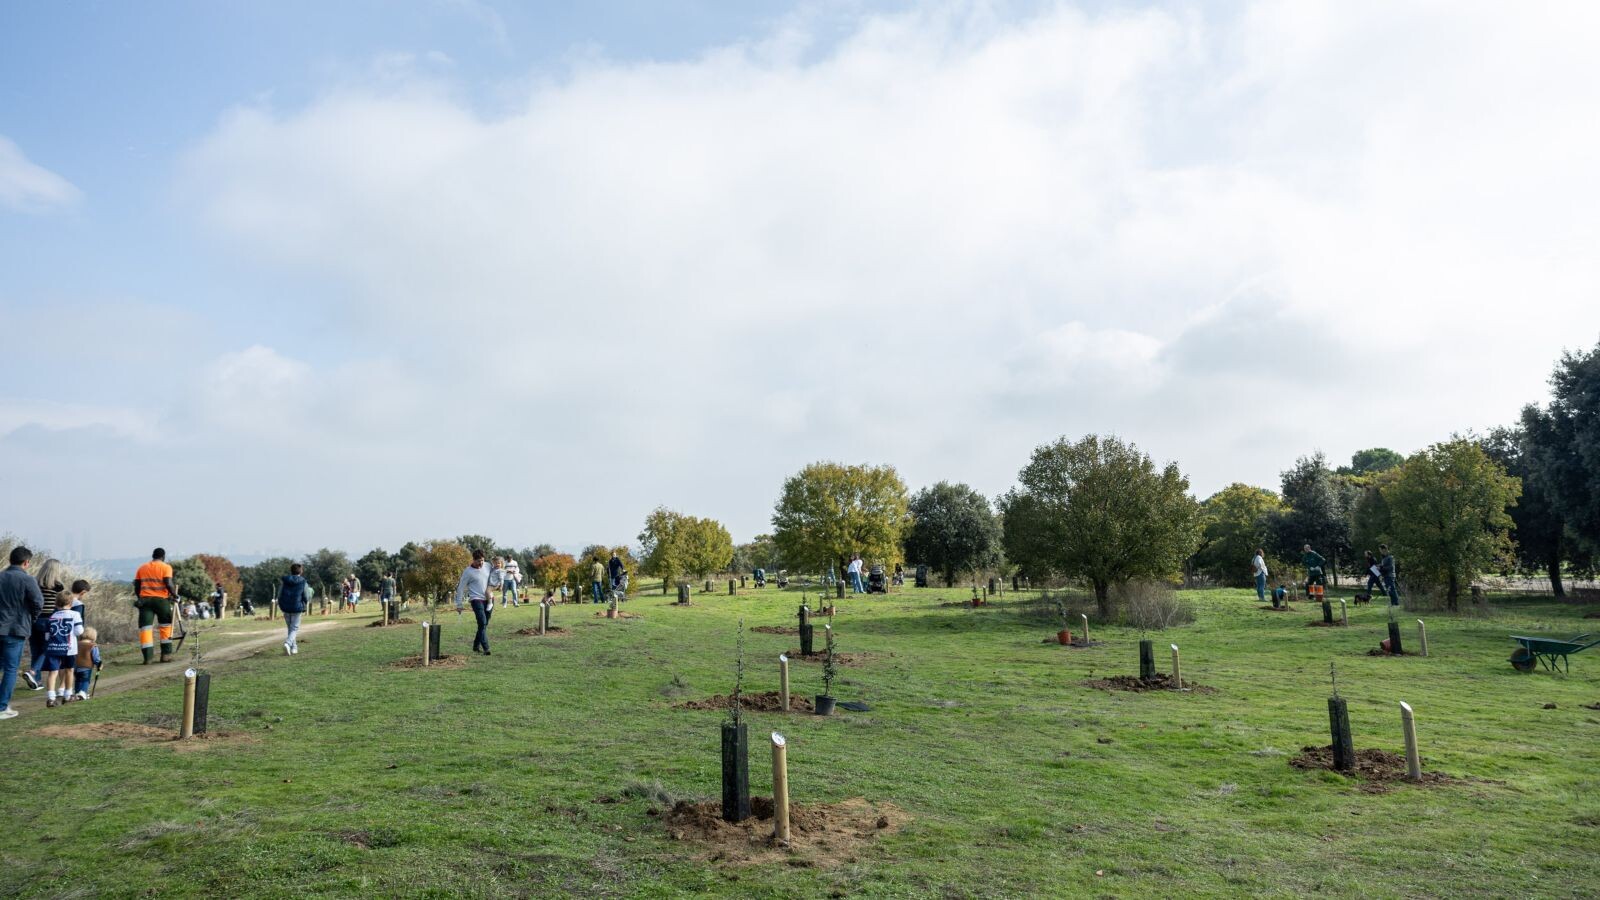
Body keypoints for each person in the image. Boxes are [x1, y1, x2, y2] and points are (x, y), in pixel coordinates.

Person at [0, 546, 46, 720]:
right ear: (26, 562)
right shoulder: (27, 579)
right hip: (16, 629)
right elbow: (38, 603)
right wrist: (31, 619)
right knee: (11, 669)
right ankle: (2, 707)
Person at [22, 557, 65, 691]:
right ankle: (33, 672)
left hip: (33, 620)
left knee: (36, 650)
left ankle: (37, 681)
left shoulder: (34, 582)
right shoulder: (58, 586)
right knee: (48, 649)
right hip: (48, 621)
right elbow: (60, 605)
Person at [134, 548, 178, 664]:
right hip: (161, 601)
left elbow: (137, 586)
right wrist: (175, 595)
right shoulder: (166, 567)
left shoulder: (142, 568)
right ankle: (166, 656)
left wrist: (140, 598)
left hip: (145, 601)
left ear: (152, 556)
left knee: (146, 628)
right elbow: (168, 583)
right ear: (163, 556)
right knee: (165, 626)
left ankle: (148, 658)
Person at [42, 597, 84, 708]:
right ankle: (68, 695)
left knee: (53, 672)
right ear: (70, 603)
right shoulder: (75, 614)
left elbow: (47, 637)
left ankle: (51, 698)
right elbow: (79, 631)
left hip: (53, 648)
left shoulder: (52, 617)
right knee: (69, 670)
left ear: (56, 604)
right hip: (69, 649)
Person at [455, 550, 492, 655]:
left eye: (482, 561)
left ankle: (476, 646)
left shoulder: (488, 566)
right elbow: (460, 588)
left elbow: (497, 574)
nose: (481, 563)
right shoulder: (468, 572)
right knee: (482, 622)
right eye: (479, 561)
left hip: (489, 599)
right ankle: (486, 648)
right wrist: (459, 604)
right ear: (474, 560)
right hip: (476, 600)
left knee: (483, 625)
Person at [278, 563, 310, 655]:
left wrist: (281, 604)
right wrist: (304, 603)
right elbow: (306, 596)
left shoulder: (285, 581)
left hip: (285, 607)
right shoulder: (303, 581)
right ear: (301, 571)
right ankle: (288, 644)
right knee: (294, 628)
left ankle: (294, 648)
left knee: (290, 628)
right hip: (297, 607)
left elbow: (279, 594)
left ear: (291, 571)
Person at [72, 625, 100, 701]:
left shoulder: (76, 644)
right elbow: (96, 658)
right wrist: (99, 665)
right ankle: (82, 693)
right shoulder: (93, 646)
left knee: (78, 680)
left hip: (75, 667)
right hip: (86, 667)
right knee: (85, 680)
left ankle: (77, 693)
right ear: (93, 636)